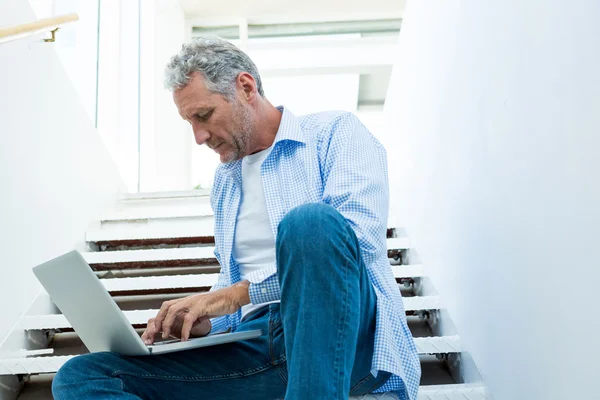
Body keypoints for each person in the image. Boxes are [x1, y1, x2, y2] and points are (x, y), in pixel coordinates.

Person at [52, 36, 421, 400]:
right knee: (84, 375)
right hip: (259, 348)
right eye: (189, 122)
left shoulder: (333, 133)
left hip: (346, 338)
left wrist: (233, 295)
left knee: (310, 224)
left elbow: (360, 240)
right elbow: (233, 287)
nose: (198, 136)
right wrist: (204, 321)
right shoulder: (226, 182)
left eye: (204, 115)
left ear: (245, 87)